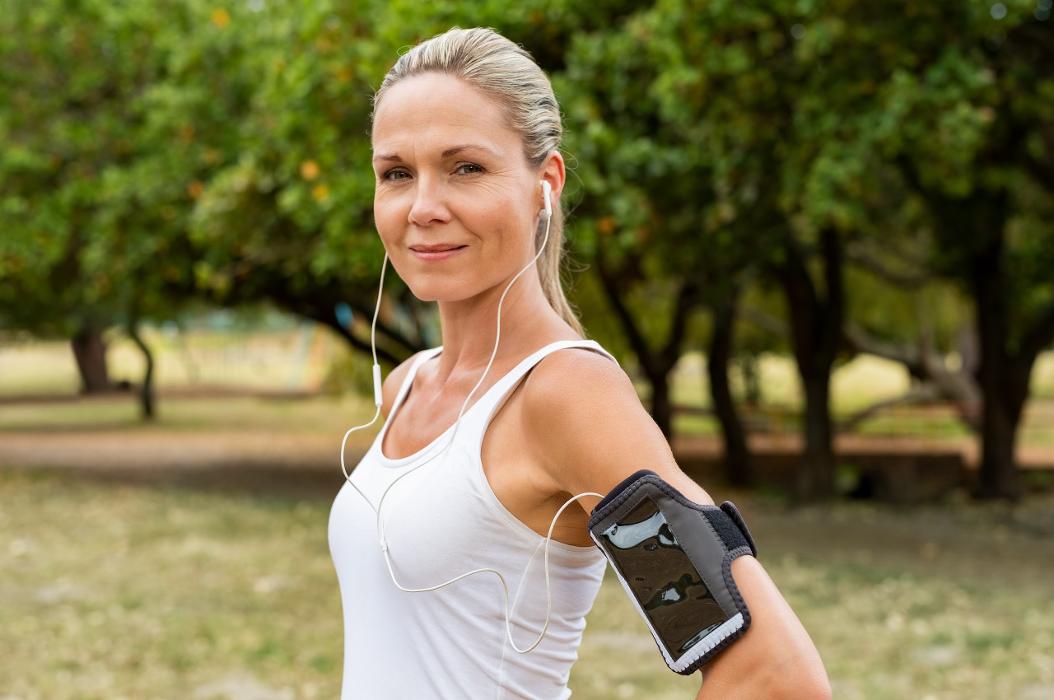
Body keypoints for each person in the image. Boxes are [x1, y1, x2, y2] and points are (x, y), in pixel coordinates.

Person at [328, 26, 831, 700]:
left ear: (546, 183)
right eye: (396, 174)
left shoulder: (564, 395)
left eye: (465, 168)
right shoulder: (405, 386)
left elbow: (775, 674)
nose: (422, 208)